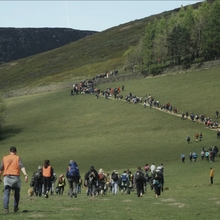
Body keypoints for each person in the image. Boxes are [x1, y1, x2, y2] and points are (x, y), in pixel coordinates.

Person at [0, 146, 28, 214]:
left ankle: (6, 208)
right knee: (17, 192)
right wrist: (25, 175)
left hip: (7, 177)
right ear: (15, 152)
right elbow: (21, 166)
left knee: (6, 193)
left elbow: (0, 169)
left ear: (9, 152)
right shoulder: (18, 158)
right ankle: (15, 207)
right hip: (16, 178)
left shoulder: (4, 158)